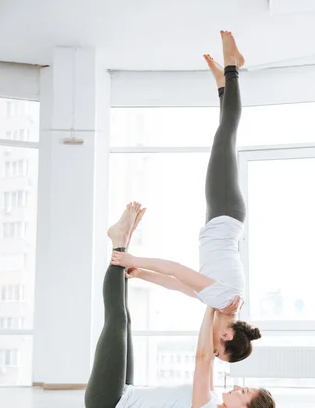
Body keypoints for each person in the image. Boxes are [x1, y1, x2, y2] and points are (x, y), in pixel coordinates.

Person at [111, 31, 261, 363]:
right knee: (225, 137)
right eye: (217, 350)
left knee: (224, 139)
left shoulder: (219, 301)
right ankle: (234, 68)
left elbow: (176, 283)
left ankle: (224, 85)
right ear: (225, 335)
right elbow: (176, 267)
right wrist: (134, 259)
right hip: (224, 210)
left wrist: (141, 274)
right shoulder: (223, 299)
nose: (210, 347)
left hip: (223, 215)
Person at [84, 201, 282, 408]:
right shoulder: (213, 399)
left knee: (117, 319)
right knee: (125, 321)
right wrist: (221, 307)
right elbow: (210, 354)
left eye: (244, 391)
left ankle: (119, 241)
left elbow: (203, 358)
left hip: (110, 406)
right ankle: (124, 240)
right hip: (125, 393)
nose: (238, 387)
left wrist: (213, 304)